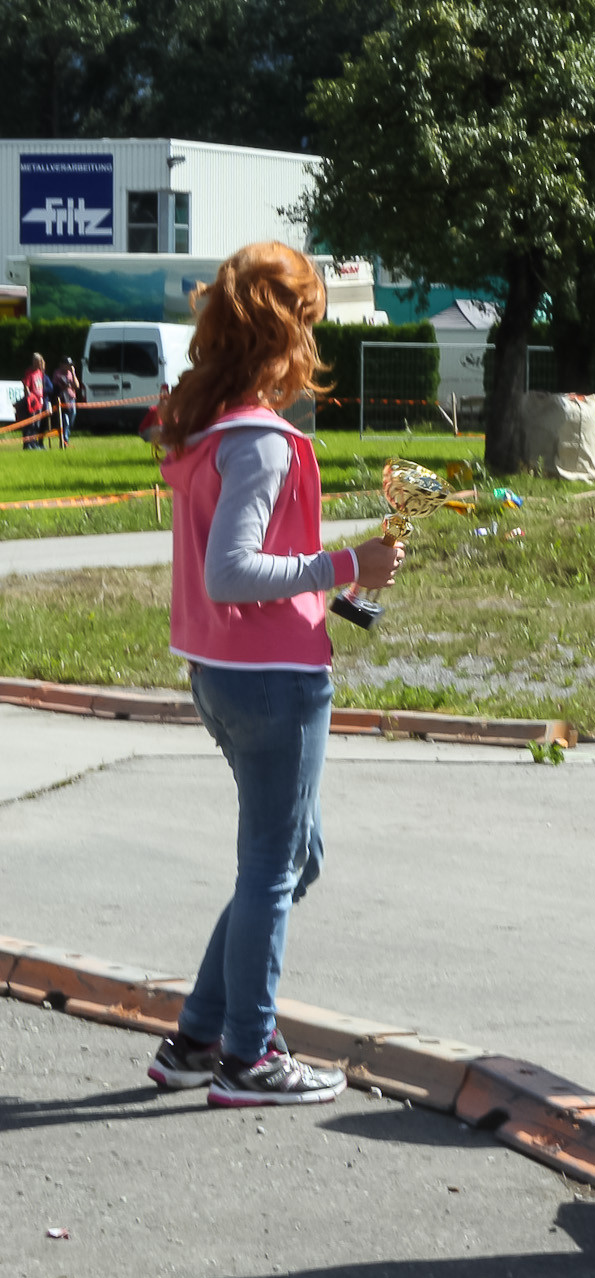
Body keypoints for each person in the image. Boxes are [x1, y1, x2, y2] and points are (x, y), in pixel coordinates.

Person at [144, 242, 406, 1107]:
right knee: (272, 865)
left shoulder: (207, 430)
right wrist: (345, 566)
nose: (313, 345)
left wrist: (332, 578)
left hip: (222, 672)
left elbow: (227, 571)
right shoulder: (261, 440)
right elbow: (233, 571)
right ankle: (248, 1055)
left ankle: (198, 1037)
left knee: (295, 855)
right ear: (284, 334)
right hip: (273, 680)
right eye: (310, 325)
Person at [21, 352, 48, 450]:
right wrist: (30, 397)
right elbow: (26, 386)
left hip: (39, 401)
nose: (38, 363)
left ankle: (34, 443)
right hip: (32, 401)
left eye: (39, 362)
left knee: (37, 424)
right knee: (31, 423)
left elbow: (43, 368)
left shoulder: (40, 372)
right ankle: (28, 444)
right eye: (36, 361)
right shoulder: (29, 372)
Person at [56, 356, 81, 448]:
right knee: (65, 421)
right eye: (67, 364)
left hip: (71, 400)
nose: (69, 366)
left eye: (70, 365)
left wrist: (73, 373)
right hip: (63, 400)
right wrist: (67, 385)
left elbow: (77, 386)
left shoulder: (70, 373)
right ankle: (64, 441)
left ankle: (66, 437)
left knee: (71, 421)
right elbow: (58, 385)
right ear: (62, 365)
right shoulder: (57, 373)